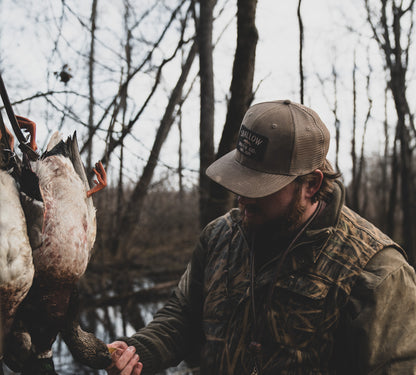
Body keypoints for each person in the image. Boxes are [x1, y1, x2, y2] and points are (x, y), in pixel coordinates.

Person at [106, 100, 416, 375]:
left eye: (260, 187)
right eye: (241, 178)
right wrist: (138, 353)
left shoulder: (377, 272)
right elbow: (184, 316)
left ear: (311, 185)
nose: (241, 197)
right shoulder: (218, 236)